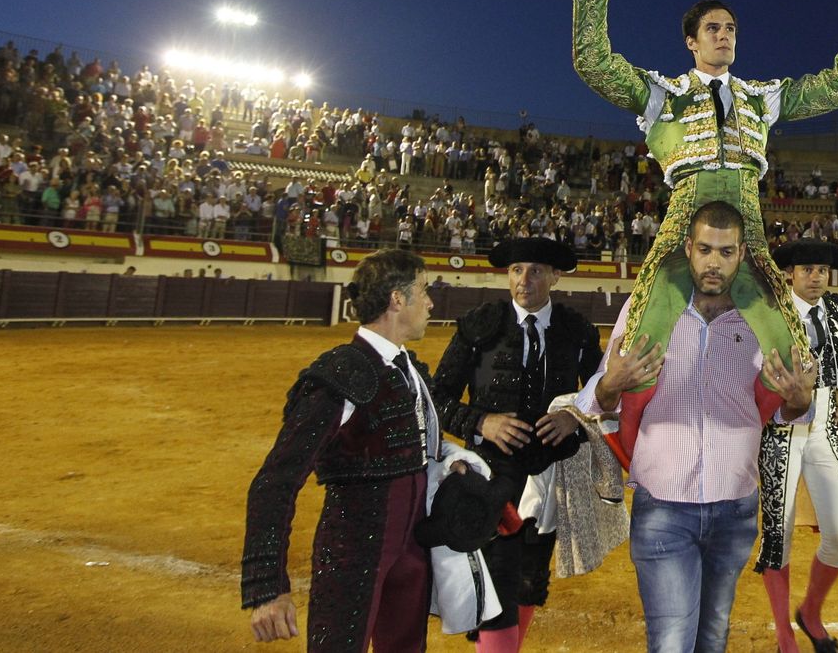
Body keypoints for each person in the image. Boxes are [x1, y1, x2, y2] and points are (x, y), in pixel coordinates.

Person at [573, 0, 838, 452]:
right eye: (713, 29)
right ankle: (626, 439)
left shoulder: (760, 96)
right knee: (647, 326)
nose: (724, 36)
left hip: (746, 221)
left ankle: (771, 426)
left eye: (730, 30)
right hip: (684, 215)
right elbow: (595, 65)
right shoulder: (663, 93)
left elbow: (836, 86)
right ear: (691, 42)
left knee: (783, 335)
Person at [574, 200, 818, 653]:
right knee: (671, 642)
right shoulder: (646, 308)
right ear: (687, 248)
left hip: (736, 507)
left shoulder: (766, 318)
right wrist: (610, 384)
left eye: (726, 252)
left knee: (712, 637)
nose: (714, 262)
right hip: (664, 506)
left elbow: (789, 410)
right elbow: (598, 401)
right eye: (705, 248)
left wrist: (800, 401)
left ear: (742, 254)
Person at [241, 248, 466, 652]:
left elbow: (418, 446)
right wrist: (266, 586)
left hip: (412, 543)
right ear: (397, 299)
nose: (431, 302)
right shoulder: (343, 373)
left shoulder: (407, 368)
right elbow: (276, 479)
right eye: (423, 290)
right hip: (354, 547)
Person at [430, 237, 604, 653]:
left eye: (535, 271)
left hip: (549, 476)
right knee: (499, 577)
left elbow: (602, 395)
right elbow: (437, 398)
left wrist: (574, 419)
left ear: (555, 276)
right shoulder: (480, 326)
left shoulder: (576, 332)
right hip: (490, 475)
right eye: (515, 270)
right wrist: (480, 421)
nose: (523, 280)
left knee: (530, 579)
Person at [754, 240, 838, 653]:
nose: (817, 276)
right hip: (779, 428)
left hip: (823, 426)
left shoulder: (836, 308)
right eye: (807, 269)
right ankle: (785, 635)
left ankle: (811, 612)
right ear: (789, 273)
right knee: (778, 533)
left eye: (822, 269)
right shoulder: (770, 312)